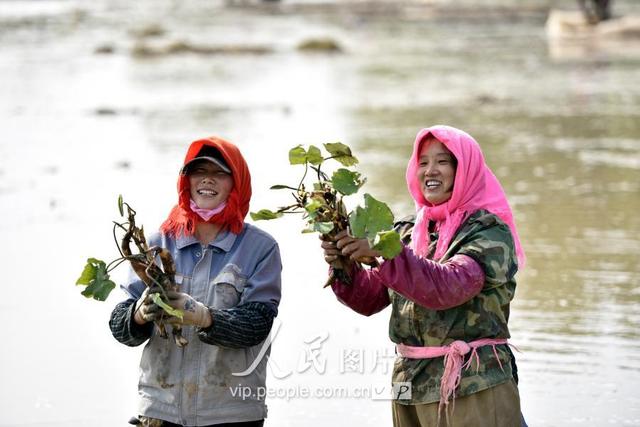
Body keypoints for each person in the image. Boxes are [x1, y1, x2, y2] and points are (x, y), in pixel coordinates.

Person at [321, 125, 526, 427]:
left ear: (464, 170)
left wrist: (382, 252)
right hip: (409, 387)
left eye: (443, 161)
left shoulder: (489, 231)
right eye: (423, 162)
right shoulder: (405, 231)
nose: (431, 170)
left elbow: (451, 286)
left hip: (473, 384)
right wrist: (344, 263)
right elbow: (370, 299)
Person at [109, 136, 282, 427]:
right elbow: (120, 328)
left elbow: (257, 325)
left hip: (231, 413)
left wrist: (204, 317)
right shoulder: (158, 242)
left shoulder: (260, 248)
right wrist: (138, 315)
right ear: (186, 181)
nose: (208, 180)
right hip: (160, 409)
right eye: (199, 172)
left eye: (219, 174)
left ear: (237, 183)